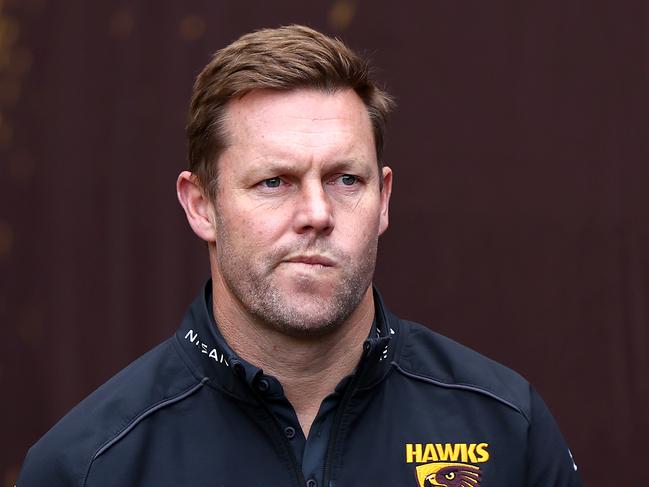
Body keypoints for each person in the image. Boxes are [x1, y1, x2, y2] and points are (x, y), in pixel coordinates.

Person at [17, 25, 581, 487]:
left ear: (384, 200)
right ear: (201, 206)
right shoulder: (90, 464)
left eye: (345, 179)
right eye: (274, 182)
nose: (317, 212)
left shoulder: (506, 428)